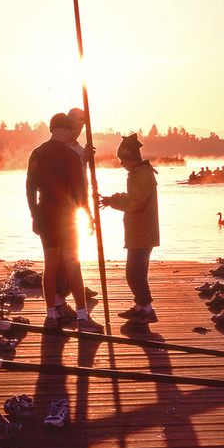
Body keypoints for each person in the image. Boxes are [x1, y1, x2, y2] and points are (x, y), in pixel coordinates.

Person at [26, 112, 101, 332]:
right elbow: (79, 190)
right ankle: (81, 316)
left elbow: (30, 188)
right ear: (67, 130)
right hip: (66, 217)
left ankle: (51, 314)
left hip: (45, 215)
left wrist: (34, 214)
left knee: (50, 266)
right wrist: (87, 215)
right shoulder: (70, 156)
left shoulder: (37, 153)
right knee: (73, 264)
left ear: (51, 129)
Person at [100, 134, 160, 324]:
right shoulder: (137, 174)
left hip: (143, 231)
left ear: (131, 158)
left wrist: (113, 201)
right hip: (137, 230)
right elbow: (133, 196)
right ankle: (140, 307)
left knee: (134, 272)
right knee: (136, 272)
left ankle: (147, 309)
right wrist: (112, 199)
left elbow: (135, 203)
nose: (121, 164)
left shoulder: (142, 175)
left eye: (123, 160)